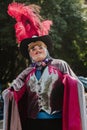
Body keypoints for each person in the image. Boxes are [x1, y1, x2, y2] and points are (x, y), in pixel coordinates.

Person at [2, 2, 87, 130]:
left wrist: (71, 81)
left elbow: (75, 85)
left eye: (40, 47)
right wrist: (9, 93)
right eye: (33, 49)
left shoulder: (60, 65)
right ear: (30, 53)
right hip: (32, 123)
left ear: (46, 49)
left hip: (56, 122)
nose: (37, 50)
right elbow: (14, 91)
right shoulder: (27, 72)